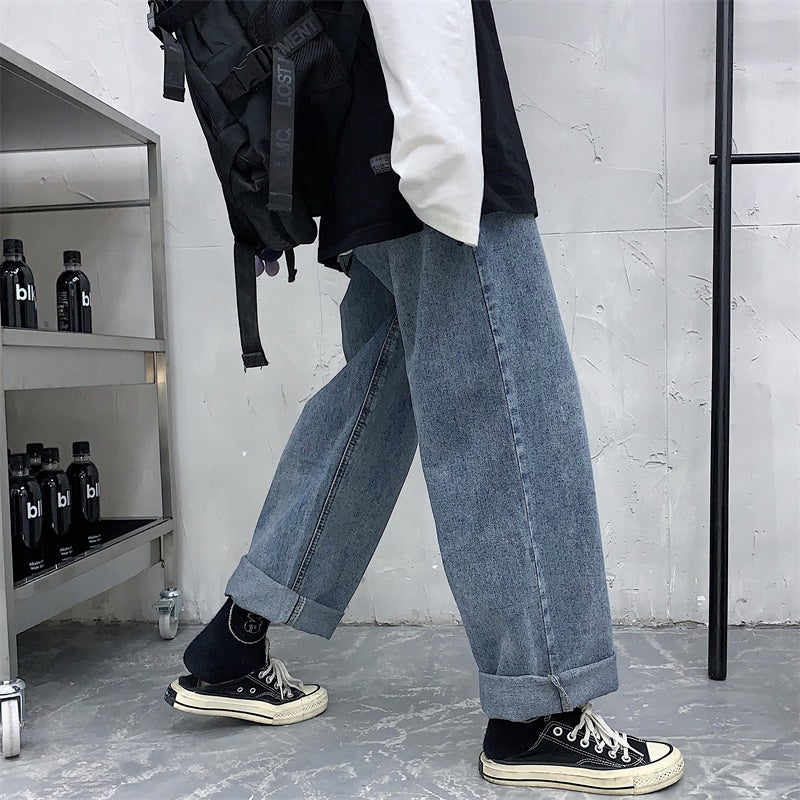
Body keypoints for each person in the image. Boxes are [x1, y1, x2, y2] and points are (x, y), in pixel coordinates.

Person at [164, 1, 685, 794]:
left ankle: (236, 639)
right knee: (509, 402)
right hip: (427, 144)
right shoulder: (437, 150)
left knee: (378, 398)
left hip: (368, 160)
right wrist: (445, 154)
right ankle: (537, 713)